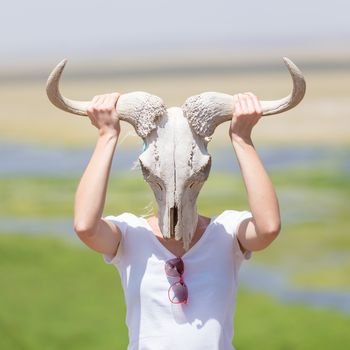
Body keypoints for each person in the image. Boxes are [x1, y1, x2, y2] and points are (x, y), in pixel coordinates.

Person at [73, 92, 281, 350]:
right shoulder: (130, 235)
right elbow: (85, 226)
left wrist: (242, 138)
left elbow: (268, 227)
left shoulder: (226, 233)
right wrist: (106, 136)